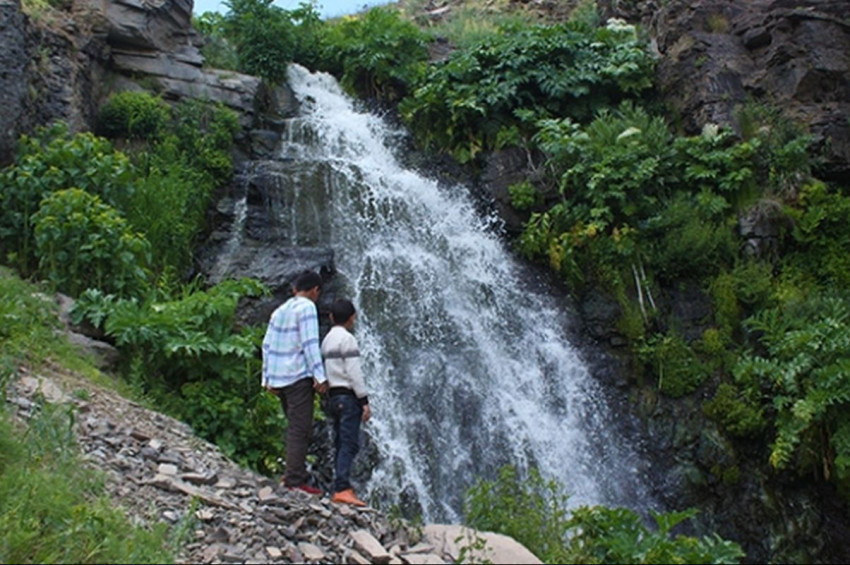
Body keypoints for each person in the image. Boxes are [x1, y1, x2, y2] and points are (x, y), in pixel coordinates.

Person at [262, 269, 328, 495]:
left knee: (294, 426)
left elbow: (267, 344)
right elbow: (310, 343)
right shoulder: (307, 307)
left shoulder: (280, 310)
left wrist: (267, 377)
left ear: (294, 289)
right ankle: (294, 480)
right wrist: (320, 376)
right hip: (297, 376)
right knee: (300, 429)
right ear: (315, 290)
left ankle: (292, 473)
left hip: (279, 378)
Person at [321, 298, 371, 507]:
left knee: (340, 441)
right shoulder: (348, 340)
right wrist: (364, 400)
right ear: (352, 318)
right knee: (349, 443)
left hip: (333, 396)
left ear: (331, 317)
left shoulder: (326, 340)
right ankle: (342, 488)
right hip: (348, 396)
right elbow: (354, 372)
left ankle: (338, 486)